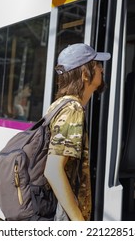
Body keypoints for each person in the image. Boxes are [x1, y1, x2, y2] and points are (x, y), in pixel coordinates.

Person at [44, 43, 110, 221]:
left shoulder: (60, 103)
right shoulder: (73, 109)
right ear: (84, 73)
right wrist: (79, 222)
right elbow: (52, 169)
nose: (102, 70)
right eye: (97, 65)